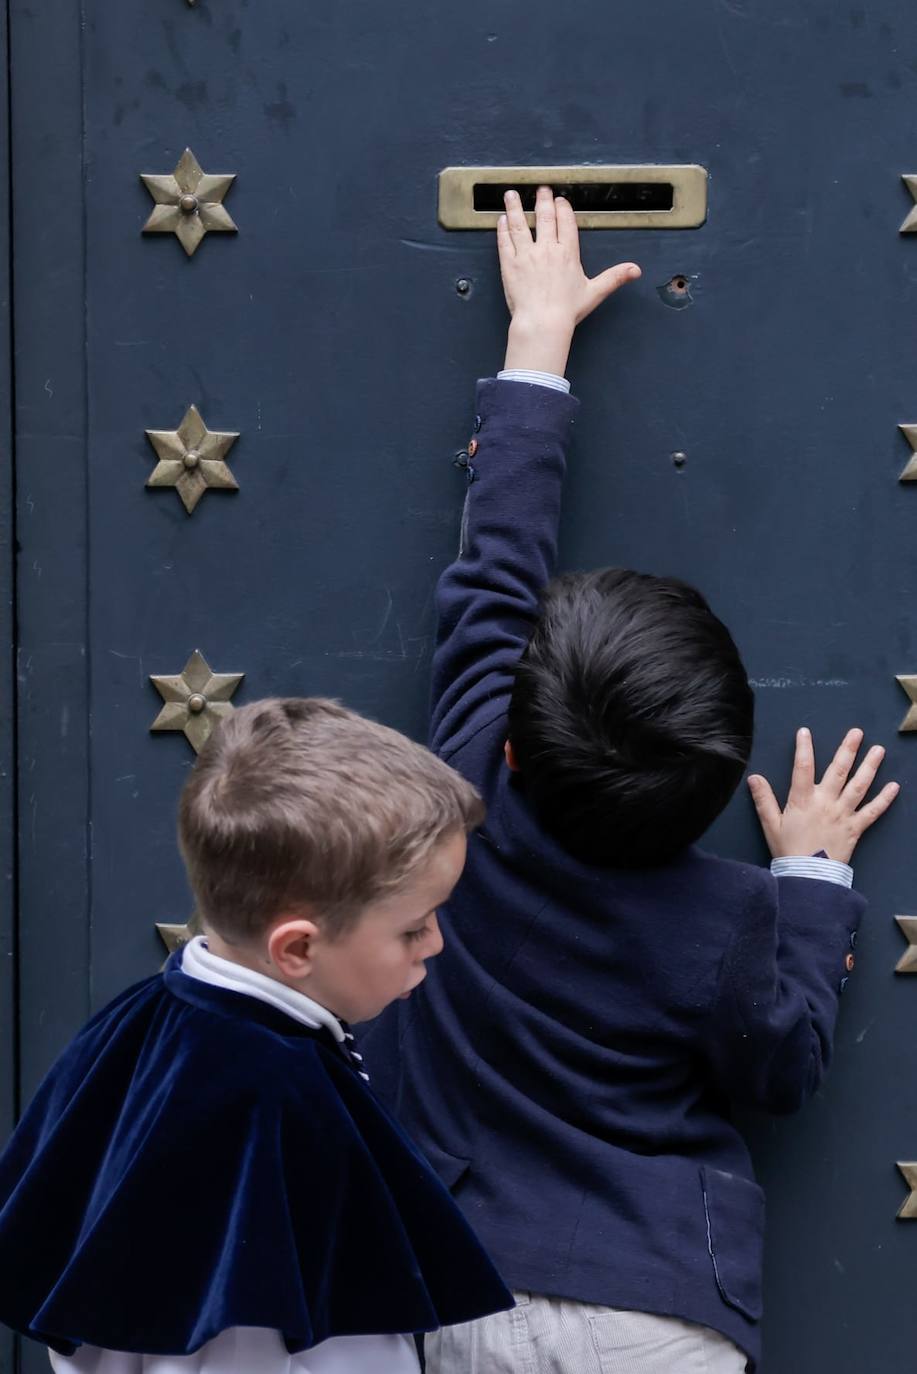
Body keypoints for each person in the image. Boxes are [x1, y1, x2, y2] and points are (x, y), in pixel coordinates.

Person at [367, 188, 900, 1374]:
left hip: (461, 1284)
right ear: (715, 783)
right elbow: (781, 1065)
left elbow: (495, 573)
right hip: (660, 1312)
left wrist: (535, 343)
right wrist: (807, 882)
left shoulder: (458, 797)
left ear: (511, 744)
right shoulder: (729, 919)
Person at [0, 697, 513, 1373]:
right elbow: (234, 1342)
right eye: (413, 926)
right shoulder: (262, 1102)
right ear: (296, 948)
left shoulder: (148, 1017)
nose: (435, 944)